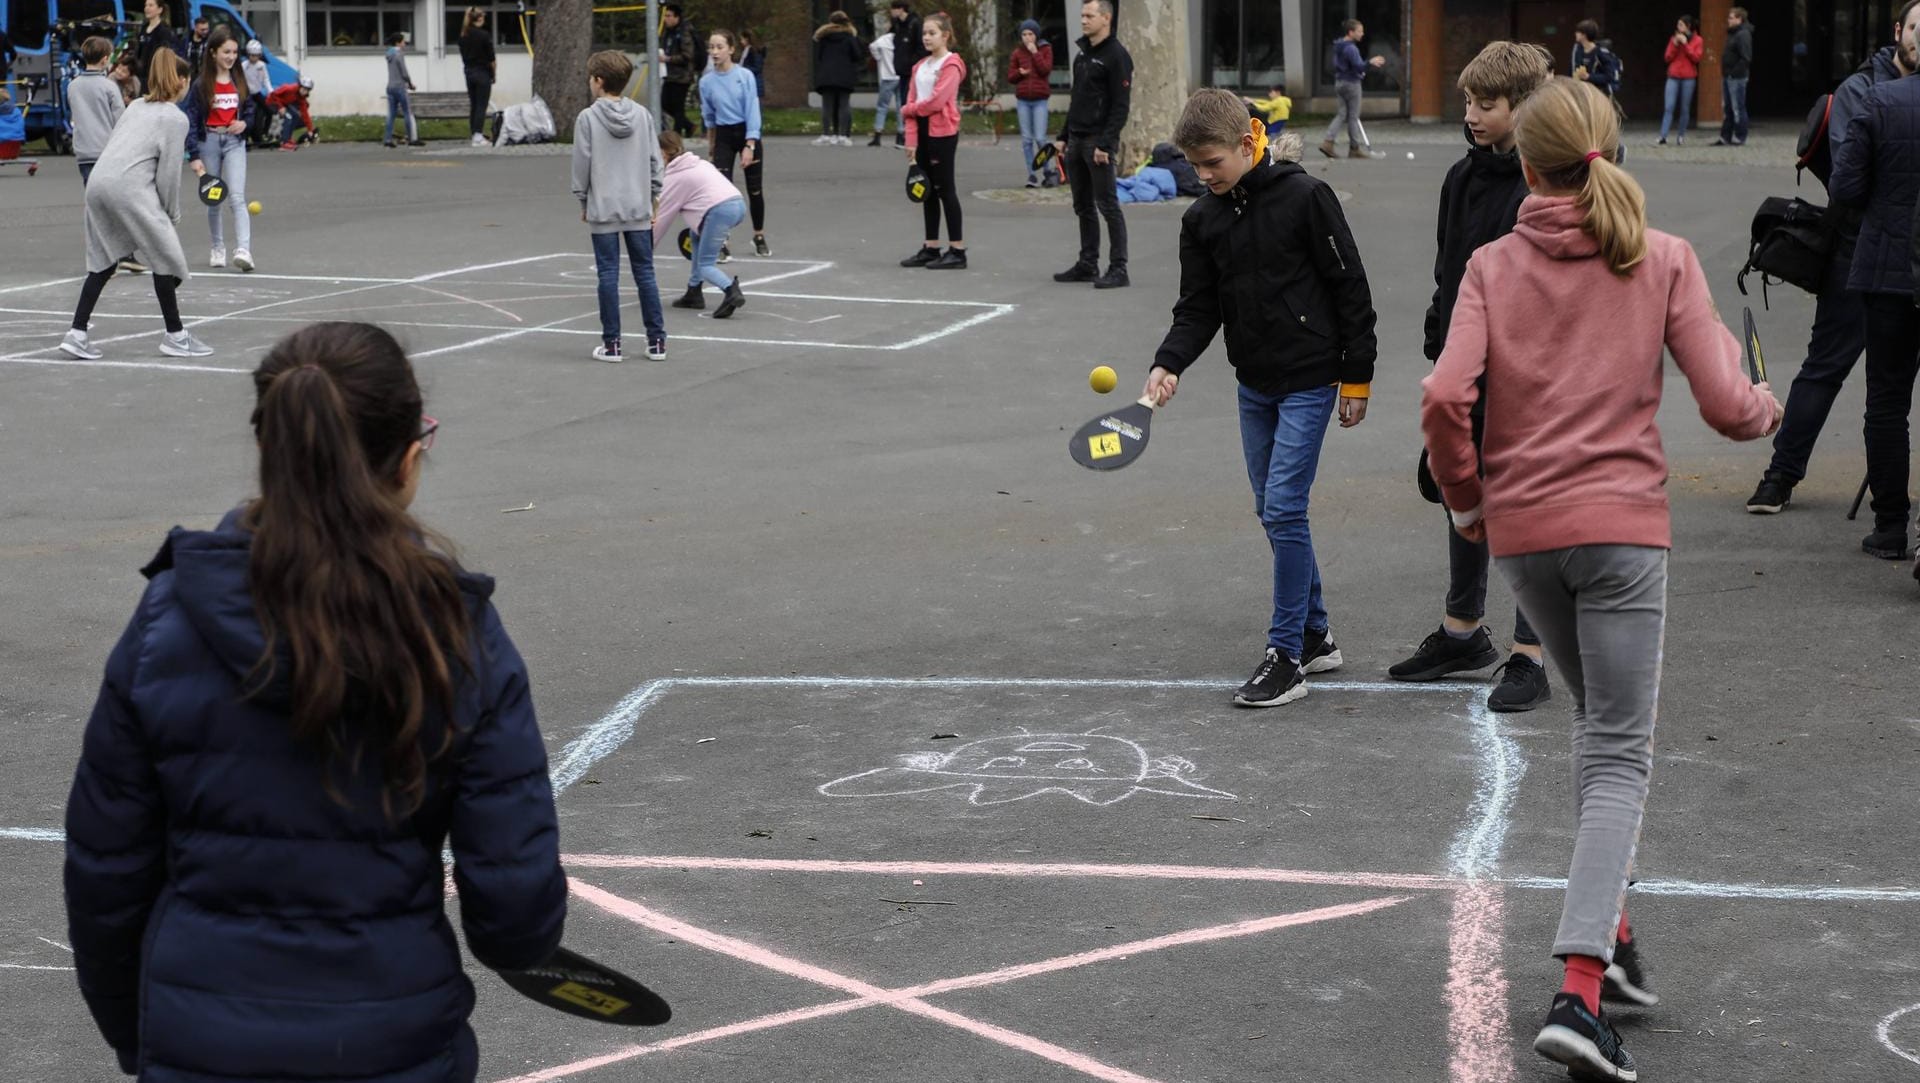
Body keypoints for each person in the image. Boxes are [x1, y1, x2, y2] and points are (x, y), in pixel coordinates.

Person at [63, 320, 568, 1081]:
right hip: (394, 1039)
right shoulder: (454, 632)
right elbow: (514, 907)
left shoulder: (169, 619)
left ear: (275, 454)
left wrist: (139, 1034)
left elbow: (106, 875)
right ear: (407, 456)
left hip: (202, 1038)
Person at [1421, 77, 1780, 1083]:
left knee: (1596, 730)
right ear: (1610, 152)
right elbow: (1726, 406)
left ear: (1527, 168)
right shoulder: (1660, 257)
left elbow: (1448, 393)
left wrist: (1468, 503)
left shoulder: (1494, 262)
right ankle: (1579, 995)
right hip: (1621, 534)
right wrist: (1768, 410)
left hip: (1526, 537)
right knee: (1619, 753)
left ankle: (1611, 942)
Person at [1149, 88, 1378, 707]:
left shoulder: (1307, 198)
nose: (1202, 176)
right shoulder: (1202, 220)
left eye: (1211, 163)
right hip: (1254, 383)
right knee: (1274, 509)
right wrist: (1168, 364)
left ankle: (1287, 656)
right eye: (1193, 166)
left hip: (1310, 377)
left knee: (1281, 508)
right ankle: (1317, 633)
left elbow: (1349, 287)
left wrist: (1357, 376)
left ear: (1250, 141)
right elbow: (1197, 309)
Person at [1390, 42, 1554, 711]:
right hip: (1466, 364)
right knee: (1464, 496)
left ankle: (1531, 653)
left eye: (1487, 103)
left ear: (1525, 107)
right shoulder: (1461, 179)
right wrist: (1442, 345)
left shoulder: (1547, 183)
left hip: (1529, 373)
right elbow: (1447, 270)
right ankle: (1463, 632)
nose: (1473, 113)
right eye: (1468, 101)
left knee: (1526, 509)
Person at [1743, 2, 1913, 516]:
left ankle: (1890, 508)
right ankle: (1780, 477)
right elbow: (1850, 179)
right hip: (1860, 248)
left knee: (1886, 393)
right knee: (1827, 367)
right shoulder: (1862, 90)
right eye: (1916, 29)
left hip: (1907, 250)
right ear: (1899, 31)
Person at [1829, 0, 1920, 562]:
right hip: (1891, 271)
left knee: (1886, 402)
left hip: (1888, 276)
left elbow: (1845, 189)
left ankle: (1891, 527)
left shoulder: (1879, 99)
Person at [58, 50, 211, 360]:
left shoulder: (137, 106)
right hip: (128, 188)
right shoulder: (175, 119)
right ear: (181, 81)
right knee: (167, 259)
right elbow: (168, 175)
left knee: (103, 262)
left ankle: (76, 333)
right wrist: (172, 214)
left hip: (99, 183)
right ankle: (176, 336)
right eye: (188, 80)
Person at [572, 51, 666, 364]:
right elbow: (656, 160)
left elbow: (582, 165)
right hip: (638, 205)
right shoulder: (642, 115)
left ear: (599, 81)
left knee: (608, 275)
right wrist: (653, 197)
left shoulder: (587, 118)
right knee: (645, 274)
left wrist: (584, 199)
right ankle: (656, 342)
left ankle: (612, 344)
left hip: (604, 206)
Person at [1051, 0, 1132, 289]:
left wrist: (1106, 144)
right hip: (1075, 139)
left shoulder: (1117, 56)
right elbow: (1077, 99)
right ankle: (1088, 264)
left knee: (1108, 205)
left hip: (1098, 142)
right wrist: (1062, 137)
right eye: (1082, 15)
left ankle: (1119, 268)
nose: (1083, 20)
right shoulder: (1082, 55)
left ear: (1106, 18)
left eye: (1089, 15)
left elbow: (1120, 106)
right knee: (1082, 206)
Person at [899, 12, 968, 270]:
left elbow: (937, 102)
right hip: (922, 130)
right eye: (924, 33)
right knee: (926, 189)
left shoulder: (952, 65)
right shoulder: (920, 67)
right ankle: (931, 247)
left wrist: (910, 110)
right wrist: (911, 141)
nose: (927, 37)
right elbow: (912, 105)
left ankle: (958, 250)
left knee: (945, 189)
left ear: (945, 35)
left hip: (943, 133)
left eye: (932, 33)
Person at [185, 27, 256, 272]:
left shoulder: (239, 81)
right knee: (214, 199)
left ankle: (244, 250)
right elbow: (192, 120)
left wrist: (244, 124)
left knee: (237, 197)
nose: (231, 57)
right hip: (209, 142)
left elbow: (250, 112)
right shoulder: (200, 85)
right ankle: (217, 247)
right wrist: (193, 155)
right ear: (213, 53)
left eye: (235, 52)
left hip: (235, 142)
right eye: (226, 52)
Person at [655, 129, 747, 318]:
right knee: (694, 235)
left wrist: (645, 246)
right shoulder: (700, 163)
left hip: (719, 211)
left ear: (663, 152)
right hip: (737, 204)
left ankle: (731, 291)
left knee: (706, 264)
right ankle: (694, 292)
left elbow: (662, 217)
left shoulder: (675, 177)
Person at [700, 29, 769, 257]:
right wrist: (712, 146)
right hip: (724, 135)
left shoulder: (744, 76)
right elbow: (709, 117)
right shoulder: (707, 82)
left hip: (746, 132)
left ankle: (758, 235)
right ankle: (722, 241)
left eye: (720, 47)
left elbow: (752, 109)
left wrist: (750, 144)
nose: (715, 52)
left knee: (754, 189)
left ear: (731, 49)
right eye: (711, 47)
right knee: (722, 192)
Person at [1319, 18, 1388, 159]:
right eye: (1359, 31)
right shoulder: (1351, 48)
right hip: (1351, 84)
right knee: (1353, 116)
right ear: (1351, 32)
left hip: (1339, 82)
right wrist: (1370, 62)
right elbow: (1359, 66)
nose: (1362, 34)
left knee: (1342, 113)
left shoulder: (1338, 46)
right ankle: (1354, 148)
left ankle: (1328, 141)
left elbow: (1338, 65)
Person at [69, 36, 124, 188]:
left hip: (83, 149)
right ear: (105, 59)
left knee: (90, 192)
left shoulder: (73, 86)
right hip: (106, 148)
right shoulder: (109, 86)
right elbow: (120, 119)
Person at [1007, 20, 1053, 188]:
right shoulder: (1017, 53)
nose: (1027, 38)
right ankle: (1031, 175)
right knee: (1027, 140)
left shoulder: (1045, 49)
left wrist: (1035, 53)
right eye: (1024, 34)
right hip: (1023, 100)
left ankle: (1048, 171)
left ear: (1036, 35)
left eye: (1030, 34)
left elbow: (1045, 70)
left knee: (1040, 138)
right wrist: (1019, 73)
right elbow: (1010, 77)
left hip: (1040, 100)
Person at [812, 11, 864, 146]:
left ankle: (825, 134)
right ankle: (843, 135)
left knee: (827, 105)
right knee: (844, 105)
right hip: (845, 75)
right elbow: (858, 55)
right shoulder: (850, 38)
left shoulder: (823, 38)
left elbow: (819, 56)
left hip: (826, 75)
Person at [1657, 15, 1702, 146]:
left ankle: (1680, 136)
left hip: (1688, 78)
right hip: (1673, 76)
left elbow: (1696, 58)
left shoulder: (1698, 40)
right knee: (1669, 107)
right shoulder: (1673, 39)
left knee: (1684, 108)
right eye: (1678, 25)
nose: (1678, 27)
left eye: (1681, 25)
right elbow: (1667, 57)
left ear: (1688, 26)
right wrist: (1675, 45)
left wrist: (1686, 45)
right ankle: (1663, 136)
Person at [887, 0, 925, 148]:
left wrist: (911, 63)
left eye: (893, 8)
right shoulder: (897, 24)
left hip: (911, 69)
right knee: (903, 102)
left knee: (908, 101)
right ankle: (904, 133)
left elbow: (920, 47)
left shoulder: (914, 23)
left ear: (901, 9)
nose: (891, 12)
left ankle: (909, 135)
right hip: (901, 69)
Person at [1714, 8, 1753, 146]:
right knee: (1728, 108)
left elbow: (1745, 58)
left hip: (1736, 77)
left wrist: (1733, 72)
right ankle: (1725, 136)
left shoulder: (1743, 35)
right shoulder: (1733, 34)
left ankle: (1740, 136)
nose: (1728, 20)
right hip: (1728, 76)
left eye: (1731, 18)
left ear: (1739, 19)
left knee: (1738, 108)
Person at [458, 7, 496, 147]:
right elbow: (491, 58)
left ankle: (474, 132)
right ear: (479, 18)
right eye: (483, 17)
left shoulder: (463, 35)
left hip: (469, 72)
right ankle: (478, 136)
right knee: (482, 104)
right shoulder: (484, 36)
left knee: (474, 105)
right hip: (482, 72)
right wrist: (493, 74)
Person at [658, 3, 696, 137]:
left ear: (677, 17)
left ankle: (678, 134)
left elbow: (688, 55)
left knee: (678, 107)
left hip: (682, 76)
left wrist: (668, 59)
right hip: (670, 75)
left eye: (669, 16)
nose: (666, 19)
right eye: (665, 16)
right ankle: (688, 125)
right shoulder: (668, 33)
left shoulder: (684, 32)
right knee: (664, 103)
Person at [384, 31, 422, 147]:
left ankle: (388, 139)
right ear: (398, 43)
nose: (404, 43)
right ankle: (412, 139)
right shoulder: (399, 54)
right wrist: (410, 84)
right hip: (400, 87)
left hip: (390, 86)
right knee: (407, 112)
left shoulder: (389, 54)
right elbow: (404, 72)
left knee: (391, 114)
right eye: (403, 41)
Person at [1569, 20, 1621, 103]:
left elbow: (1609, 77)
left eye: (1578, 32)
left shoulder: (1601, 53)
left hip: (1599, 96)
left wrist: (1589, 77)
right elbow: (1572, 70)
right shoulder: (1577, 50)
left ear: (1584, 35)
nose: (1575, 33)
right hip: (1582, 94)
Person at [267, 75, 320, 149]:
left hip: (283, 104)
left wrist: (310, 130)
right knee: (288, 117)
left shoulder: (301, 98)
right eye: (303, 88)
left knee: (296, 115)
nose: (304, 91)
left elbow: (305, 114)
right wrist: (280, 107)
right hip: (272, 102)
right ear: (300, 86)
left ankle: (288, 138)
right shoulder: (289, 89)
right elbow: (273, 94)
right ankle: (284, 142)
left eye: (307, 90)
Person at [132, 0, 179, 83]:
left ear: (160, 10)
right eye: (146, 5)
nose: (147, 8)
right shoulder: (143, 28)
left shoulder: (164, 31)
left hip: (155, 76)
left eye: (151, 5)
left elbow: (165, 55)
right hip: (140, 75)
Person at [868, 28, 899, 146]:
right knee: (901, 107)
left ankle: (878, 134)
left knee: (882, 106)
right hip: (900, 76)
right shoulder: (903, 39)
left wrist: (878, 57)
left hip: (887, 76)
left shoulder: (885, 39)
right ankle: (901, 135)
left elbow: (873, 46)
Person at [241, 39, 272, 147]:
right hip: (248, 94)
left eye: (256, 56)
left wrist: (271, 92)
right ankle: (245, 137)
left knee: (269, 111)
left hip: (257, 93)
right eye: (251, 55)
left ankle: (264, 133)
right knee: (249, 115)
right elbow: (240, 80)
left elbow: (266, 80)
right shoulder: (244, 65)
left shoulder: (261, 65)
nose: (254, 58)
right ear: (248, 54)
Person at [737, 28, 766, 99]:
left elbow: (757, 68)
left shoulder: (755, 51)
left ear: (747, 39)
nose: (741, 41)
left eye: (742, 39)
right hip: (748, 83)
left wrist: (742, 69)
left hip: (755, 83)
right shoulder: (746, 50)